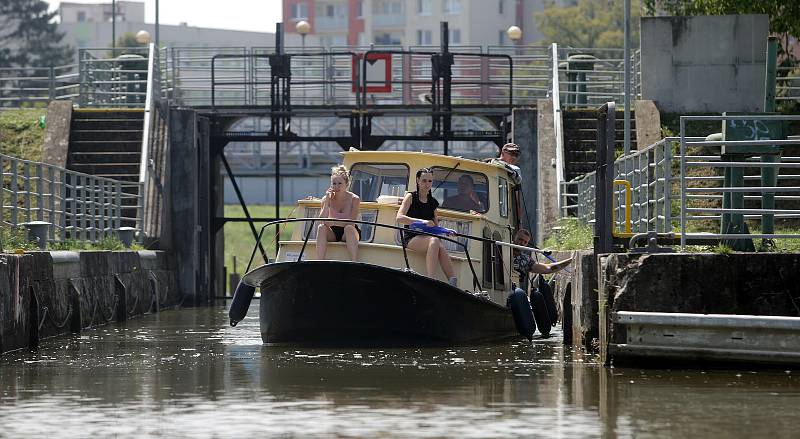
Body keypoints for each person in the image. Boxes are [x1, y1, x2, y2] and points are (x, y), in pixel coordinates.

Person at [396, 168, 458, 287]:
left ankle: (453, 281)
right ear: (418, 180)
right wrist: (422, 221)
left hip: (428, 238)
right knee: (435, 241)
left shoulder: (433, 202)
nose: (427, 184)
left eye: (430, 181)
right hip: (411, 237)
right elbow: (399, 218)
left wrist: (447, 231)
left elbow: (436, 227)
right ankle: (431, 280)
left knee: (438, 243)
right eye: (424, 181)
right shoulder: (410, 197)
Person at [316, 164, 361, 261]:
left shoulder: (354, 199)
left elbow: (351, 222)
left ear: (346, 184)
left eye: (340, 183)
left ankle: (354, 262)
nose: (336, 186)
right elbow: (321, 221)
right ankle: (319, 262)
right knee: (321, 228)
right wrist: (327, 200)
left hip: (349, 232)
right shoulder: (326, 199)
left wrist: (331, 222)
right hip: (333, 232)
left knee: (349, 228)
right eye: (334, 183)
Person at [511, 228, 572, 294]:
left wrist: (570, 260)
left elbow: (547, 268)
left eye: (525, 242)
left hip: (513, 290)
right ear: (514, 238)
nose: (522, 243)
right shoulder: (503, 248)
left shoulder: (525, 259)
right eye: (520, 239)